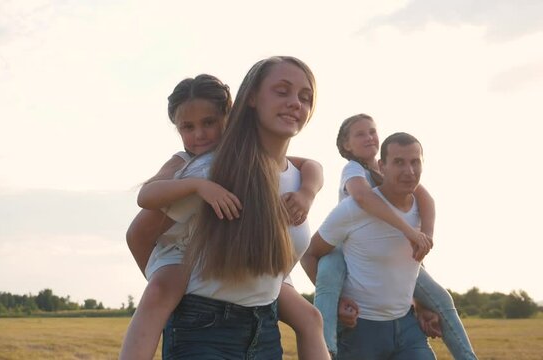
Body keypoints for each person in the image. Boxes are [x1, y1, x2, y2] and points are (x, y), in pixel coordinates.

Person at [121, 68, 328, 359]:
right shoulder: (190, 166)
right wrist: (198, 186)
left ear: (229, 117)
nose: (200, 134)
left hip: (262, 311)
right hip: (181, 255)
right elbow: (144, 209)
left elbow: (311, 165)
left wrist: (307, 192)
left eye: (209, 122)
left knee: (311, 318)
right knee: (159, 295)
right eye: (187, 128)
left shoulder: (260, 159)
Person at [309, 114, 477, 359]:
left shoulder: (392, 172)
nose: (368, 137)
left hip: (388, 264)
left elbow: (426, 198)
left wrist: (425, 238)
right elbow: (363, 198)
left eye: (372, 131)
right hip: (344, 249)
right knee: (327, 282)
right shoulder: (353, 170)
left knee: (440, 298)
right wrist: (408, 231)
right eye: (360, 134)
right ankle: (326, 349)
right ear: (346, 145)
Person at [302, 132, 439, 359]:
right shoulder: (353, 209)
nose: (409, 171)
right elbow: (309, 254)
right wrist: (335, 303)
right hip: (359, 331)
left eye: (415, 162)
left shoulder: (421, 209)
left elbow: (410, 264)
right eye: (399, 162)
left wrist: (422, 306)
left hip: (407, 327)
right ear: (382, 167)